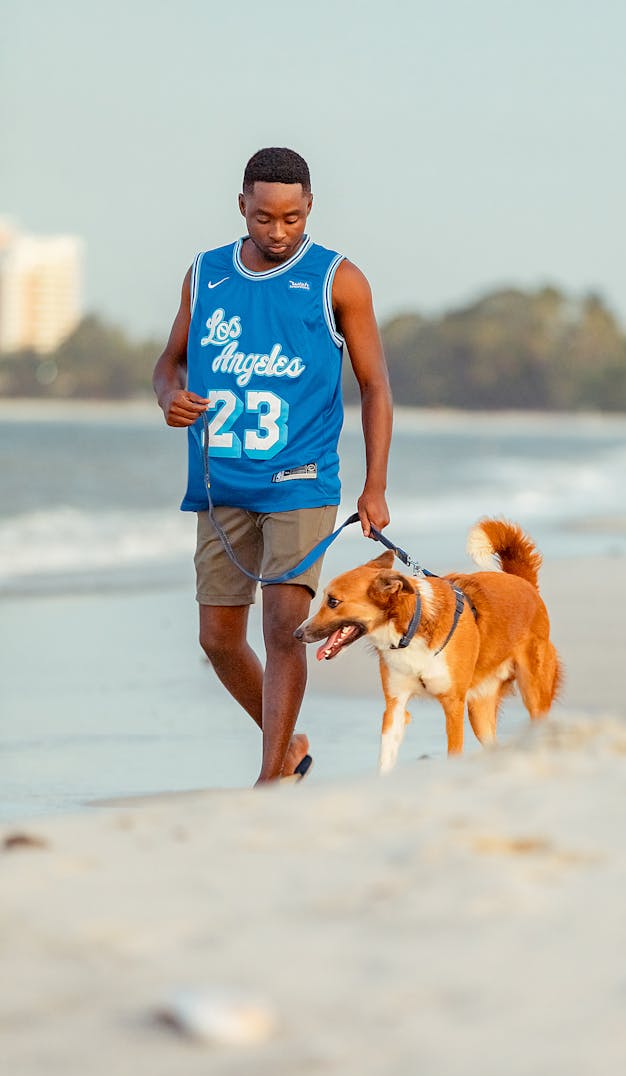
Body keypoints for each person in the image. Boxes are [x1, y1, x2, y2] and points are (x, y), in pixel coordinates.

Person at [153, 147, 392, 784]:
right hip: (219, 483)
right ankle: (286, 746)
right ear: (242, 207)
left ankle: (270, 778)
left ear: (309, 206)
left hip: (302, 482)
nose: (278, 231)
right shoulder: (205, 274)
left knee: (286, 629)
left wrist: (374, 486)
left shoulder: (338, 279)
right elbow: (168, 362)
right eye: (263, 218)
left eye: (291, 218)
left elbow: (374, 386)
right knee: (218, 639)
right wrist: (169, 399)